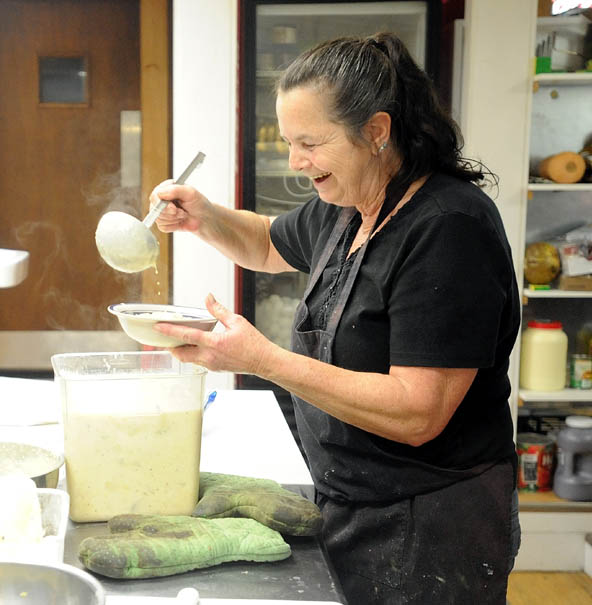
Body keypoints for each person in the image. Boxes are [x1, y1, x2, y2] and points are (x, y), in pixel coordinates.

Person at [150, 32, 521, 604]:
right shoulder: (348, 206)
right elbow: (266, 242)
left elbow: (419, 411)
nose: (297, 162)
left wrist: (264, 362)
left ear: (376, 131)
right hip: (350, 499)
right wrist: (203, 217)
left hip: (432, 522)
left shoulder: (449, 228)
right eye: (290, 142)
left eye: (310, 143)